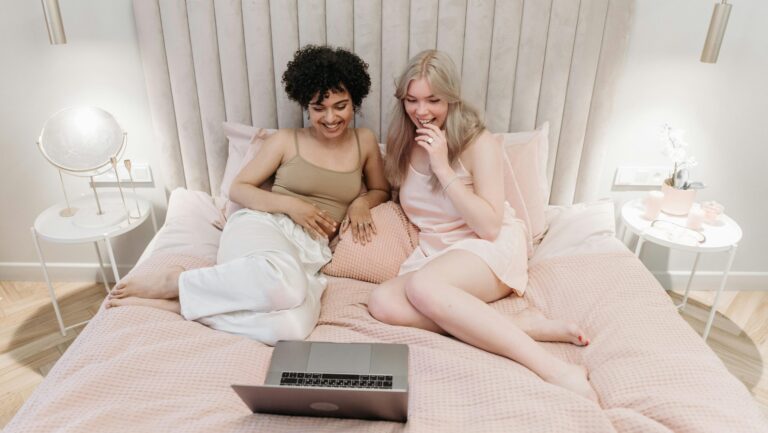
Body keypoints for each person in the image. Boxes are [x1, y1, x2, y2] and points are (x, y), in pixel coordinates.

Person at [108, 45, 390, 344]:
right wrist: (293, 206)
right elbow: (238, 188)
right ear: (305, 106)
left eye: (340, 106)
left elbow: (381, 189)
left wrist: (362, 201)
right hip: (263, 227)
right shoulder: (285, 140)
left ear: (354, 102)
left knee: (293, 328)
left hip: (311, 251)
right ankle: (175, 281)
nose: (330, 117)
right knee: (286, 283)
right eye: (319, 108)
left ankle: (182, 303)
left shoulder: (365, 141)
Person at [367, 50, 597, 401]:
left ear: (452, 99)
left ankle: (555, 369)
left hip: (487, 244)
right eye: (411, 100)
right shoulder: (402, 142)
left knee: (424, 288)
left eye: (433, 100)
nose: (421, 111)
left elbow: (489, 226)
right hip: (438, 253)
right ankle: (521, 325)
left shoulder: (480, 144)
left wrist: (443, 168)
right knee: (382, 302)